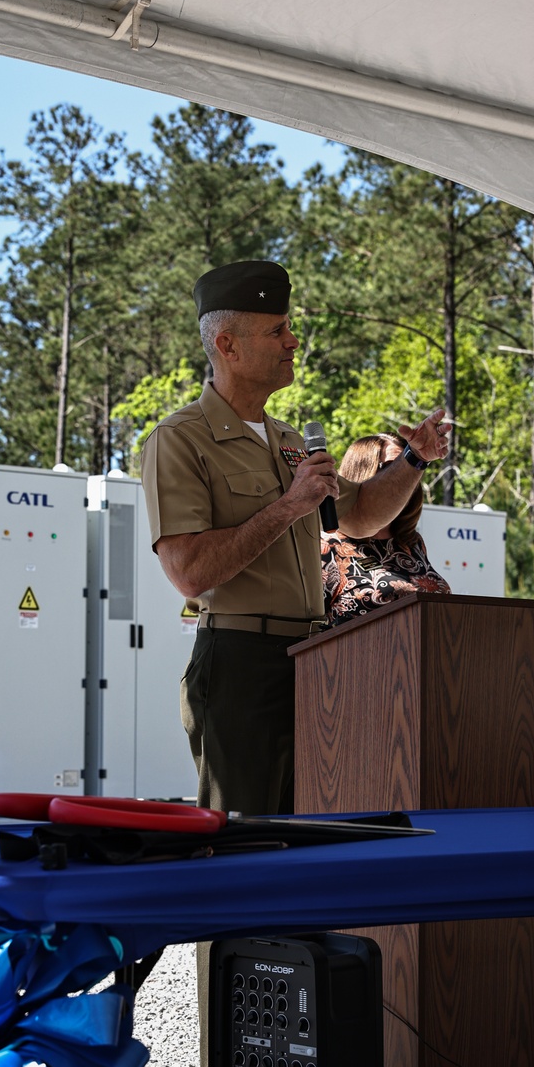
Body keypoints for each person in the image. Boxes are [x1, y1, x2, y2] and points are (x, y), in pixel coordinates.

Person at [141, 259, 450, 817]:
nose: (294, 340)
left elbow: (355, 518)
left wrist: (413, 459)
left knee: (308, 835)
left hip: (314, 660)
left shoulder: (290, 438)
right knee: (244, 844)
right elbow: (188, 572)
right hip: (240, 661)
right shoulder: (180, 440)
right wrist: (288, 507)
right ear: (229, 346)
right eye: (277, 330)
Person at [322, 433, 451, 625]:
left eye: (411, 465)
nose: (405, 475)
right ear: (361, 474)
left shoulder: (412, 542)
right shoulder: (328, 542)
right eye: (392, 466)